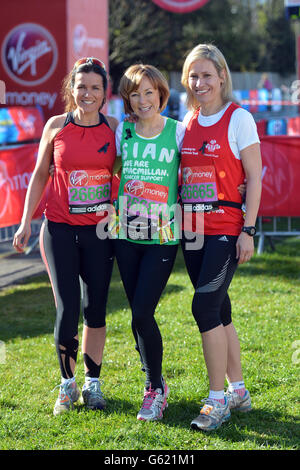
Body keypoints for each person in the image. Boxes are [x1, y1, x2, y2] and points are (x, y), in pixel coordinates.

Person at [13, 57, 118, 415]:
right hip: (57, 228)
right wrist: (26, 220)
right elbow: (40, 174)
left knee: (96, 309)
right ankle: (66, 385)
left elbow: (129, 175)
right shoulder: (56, 127)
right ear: (71, 89)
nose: (87, 93)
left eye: (95, 87)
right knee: (67, 307)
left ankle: (93, 384)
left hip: (100, 233)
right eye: (81, 86)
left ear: (105, 93)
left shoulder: (115, 128)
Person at [180, 44, 262, 431]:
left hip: (226, 231)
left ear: (222, 76)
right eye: (193, 76)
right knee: (220, 310)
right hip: (192, 232)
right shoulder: (188, 120)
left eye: (207, 75)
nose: (200, 83)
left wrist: (248, 229)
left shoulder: (239, 118)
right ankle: (239, 390)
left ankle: (217, 401)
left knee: (204, 309)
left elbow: (255, 178)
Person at [112, 64, 185, 421]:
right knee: (137, 317)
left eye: (148, 92)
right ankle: (153, 383)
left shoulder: (178, 131)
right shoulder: (122, 132)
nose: (142, 101)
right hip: (126, 236)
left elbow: (203, 168)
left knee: (142, 312)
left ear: (161, 94)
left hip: (162, 238)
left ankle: (155, 391)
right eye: (134, 94)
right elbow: (110, 169)